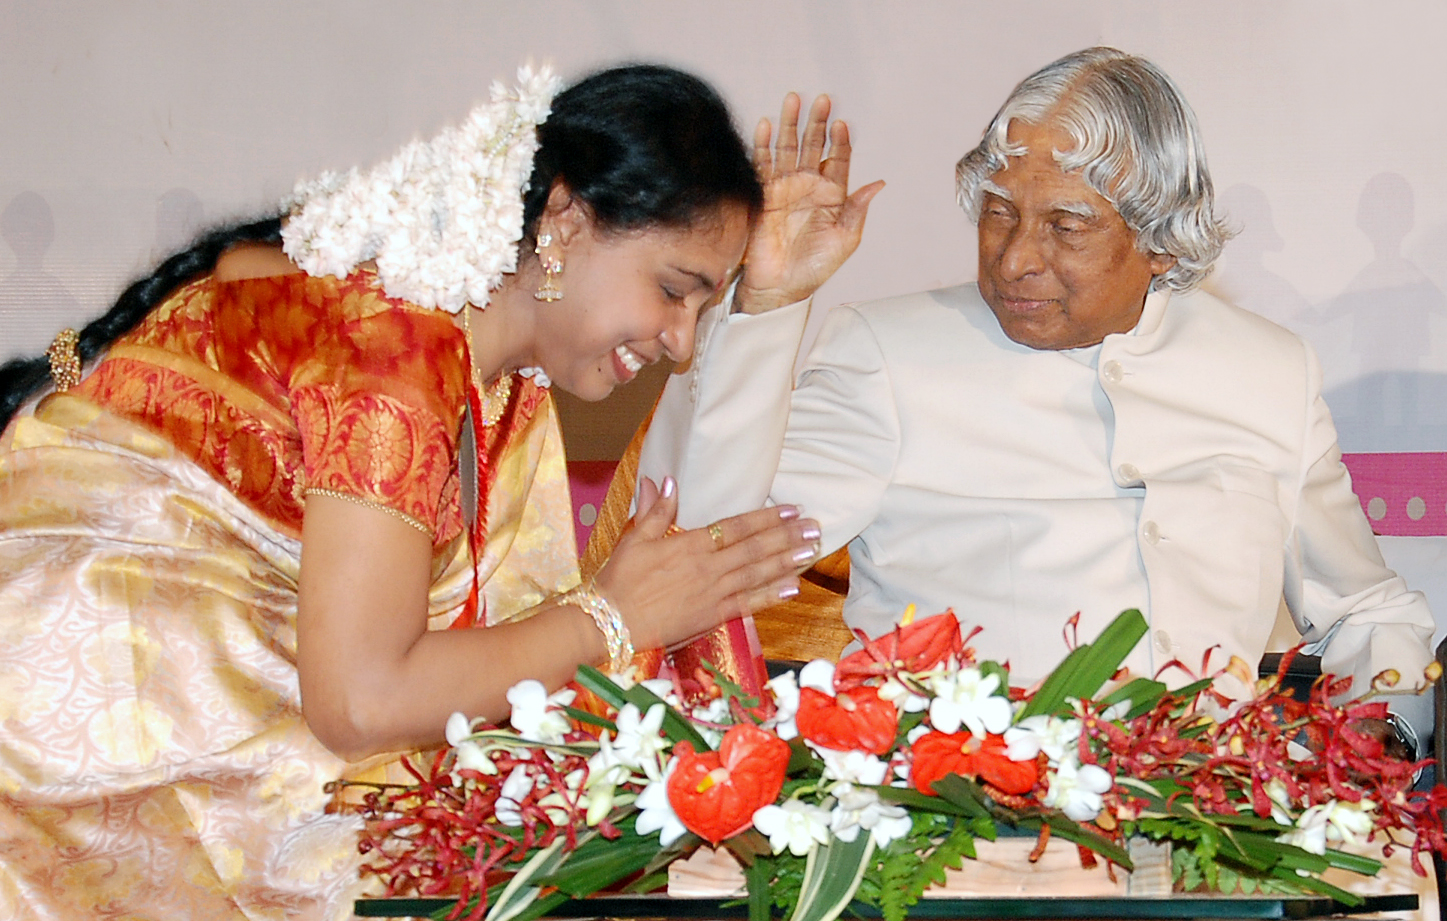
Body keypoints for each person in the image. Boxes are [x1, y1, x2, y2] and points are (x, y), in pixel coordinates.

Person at [0, 64, 878, 919]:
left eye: (702, 309)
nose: (680, 341)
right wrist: (614, 615)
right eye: (673, 290)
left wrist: (767, 306)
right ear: (565, 219)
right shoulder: (392, 346)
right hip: (76, 763)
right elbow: (364, 702)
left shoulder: (501, 388)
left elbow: (512, 667)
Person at [640, 47, 1435, 745]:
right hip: (956, 827)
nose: (1015, 257)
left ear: (1161, 241)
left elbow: (1366, 610)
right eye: (998, 214)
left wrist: (1389, 733)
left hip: (1210, 832)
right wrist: (765, 306)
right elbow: (708, 543)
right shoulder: (890, 353)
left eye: (1065, 225)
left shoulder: (1267, 370)